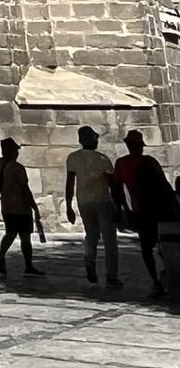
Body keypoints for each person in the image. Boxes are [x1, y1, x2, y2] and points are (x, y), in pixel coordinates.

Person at [113, 129, 178, 297]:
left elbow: (117, 189)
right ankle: (169, 277)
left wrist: (121, 209)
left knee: (146, 248)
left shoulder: (121, 164)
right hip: (159, 210)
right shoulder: (150, 161)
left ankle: (156, 281)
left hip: (140, 210)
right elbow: (165, 186)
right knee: (164, 245)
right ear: (140, 146)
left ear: (128, 145)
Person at [64, 125, 123, 289]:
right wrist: (119, 206)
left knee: (91, 235)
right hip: (103, 201)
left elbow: (70, 184)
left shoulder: (73, 158)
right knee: (110, 240)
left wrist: (69, 205)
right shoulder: (103, 159)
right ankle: (112, 276)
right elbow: (114, 186)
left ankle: (90, 262)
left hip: (84, 201)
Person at [0, 136, 45, 277]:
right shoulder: (18, 168)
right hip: (21, 207)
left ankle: (1, 255)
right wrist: (35, 208)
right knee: (25, 238)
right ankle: (28, 265)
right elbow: (25, 189)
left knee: (10, 233)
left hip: (7, 206)